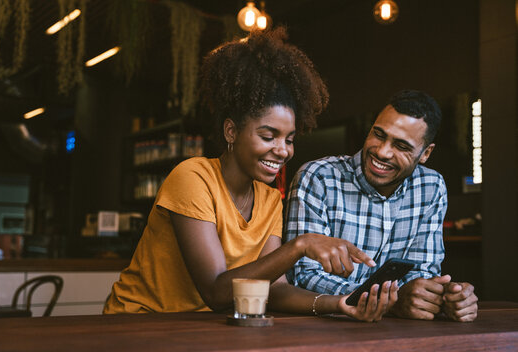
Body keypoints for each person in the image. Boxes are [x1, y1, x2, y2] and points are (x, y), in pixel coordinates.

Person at [104, 28, 399, 322]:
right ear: (231, 130)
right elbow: (216, 291)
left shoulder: (270, 199)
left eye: (289, 139)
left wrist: (339, 303)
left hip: (196, 329)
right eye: (269, 136)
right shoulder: (193, 178)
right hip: (137, 321)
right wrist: (300, 245)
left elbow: (274, 289)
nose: (282, 150)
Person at [285, 90, 478, 322]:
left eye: (401, 146)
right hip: (324, 330)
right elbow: (302, 276)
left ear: (426, 153)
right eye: (378, 134)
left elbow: (422, 273)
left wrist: (445, 296)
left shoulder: (431, 186)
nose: (382, 151)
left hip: (395, 334)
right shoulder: (319, 177)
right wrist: (392, 301)